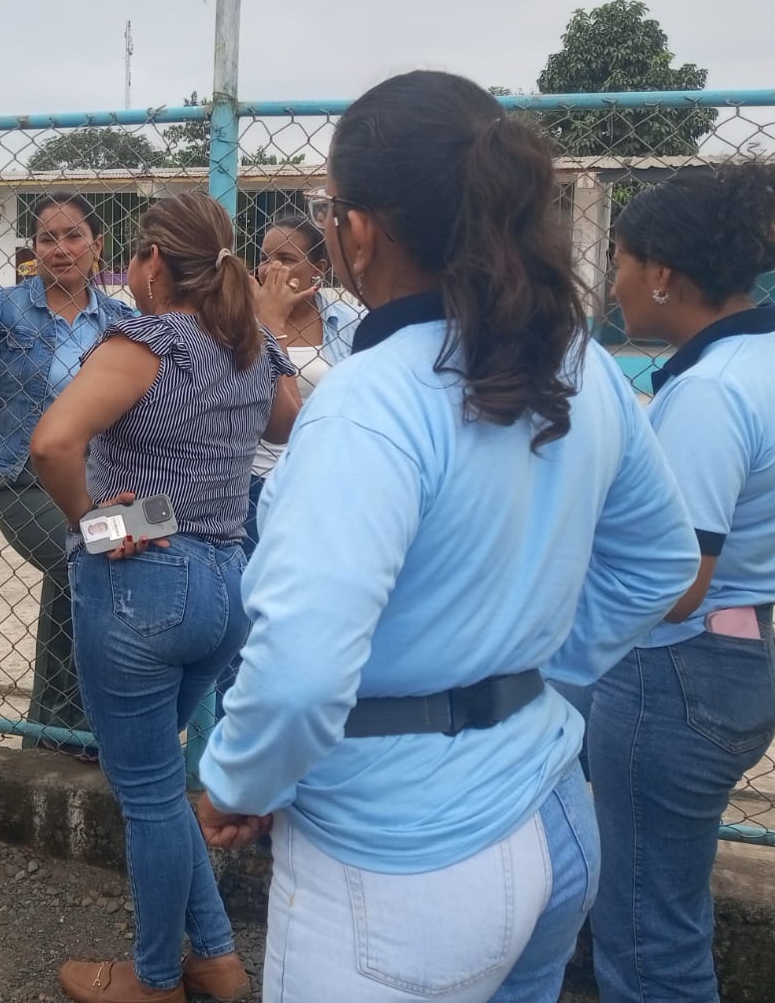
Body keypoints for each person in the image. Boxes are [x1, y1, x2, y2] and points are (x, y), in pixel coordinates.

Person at [195, 70, 702, 1003]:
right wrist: (525, 674)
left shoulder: (370, 401)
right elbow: (662, 565)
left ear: (358, 232)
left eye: (330, 212)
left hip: (400, 861)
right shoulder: (577, 361)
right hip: (550, 805)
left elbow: (299, 674)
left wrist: (239, 782)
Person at [30, 192, 300, 1003]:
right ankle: (214, 958)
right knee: (156, 785)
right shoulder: (251, 346)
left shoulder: (147, 341)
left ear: (151, 262)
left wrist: (93, 524)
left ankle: (152, 980)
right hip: (226, 584)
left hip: (146, 580)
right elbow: (289, 424)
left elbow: (52, 444)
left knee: (147, 795)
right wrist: (265, 338)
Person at [582, 162, 775, 1003]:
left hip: (675, 674)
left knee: (646, 940)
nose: (613, 282)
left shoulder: (712, 391)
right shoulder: (771, 355)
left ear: (661, 272)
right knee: (665, 912)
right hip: (729, 662)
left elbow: (675, 579)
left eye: (619, 260)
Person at [0, 192, 133, 755]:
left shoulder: (121, 322)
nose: (61, 248)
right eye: (48, 238)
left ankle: (48, 731)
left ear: (98, 245)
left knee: (117, 552)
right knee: (90, 556)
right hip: (21, 480)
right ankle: (83, 728)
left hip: (98, 483)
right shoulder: (3, 308)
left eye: (74, 236)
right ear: (33, 248)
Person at [243, 209, 360, 552]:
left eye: (286, 259)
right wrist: (268, 322)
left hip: (322, 477)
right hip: (251, 479)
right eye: (265, 258)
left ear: (318, 268)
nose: (271, 269)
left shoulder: (348, 323)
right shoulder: (239, 323)